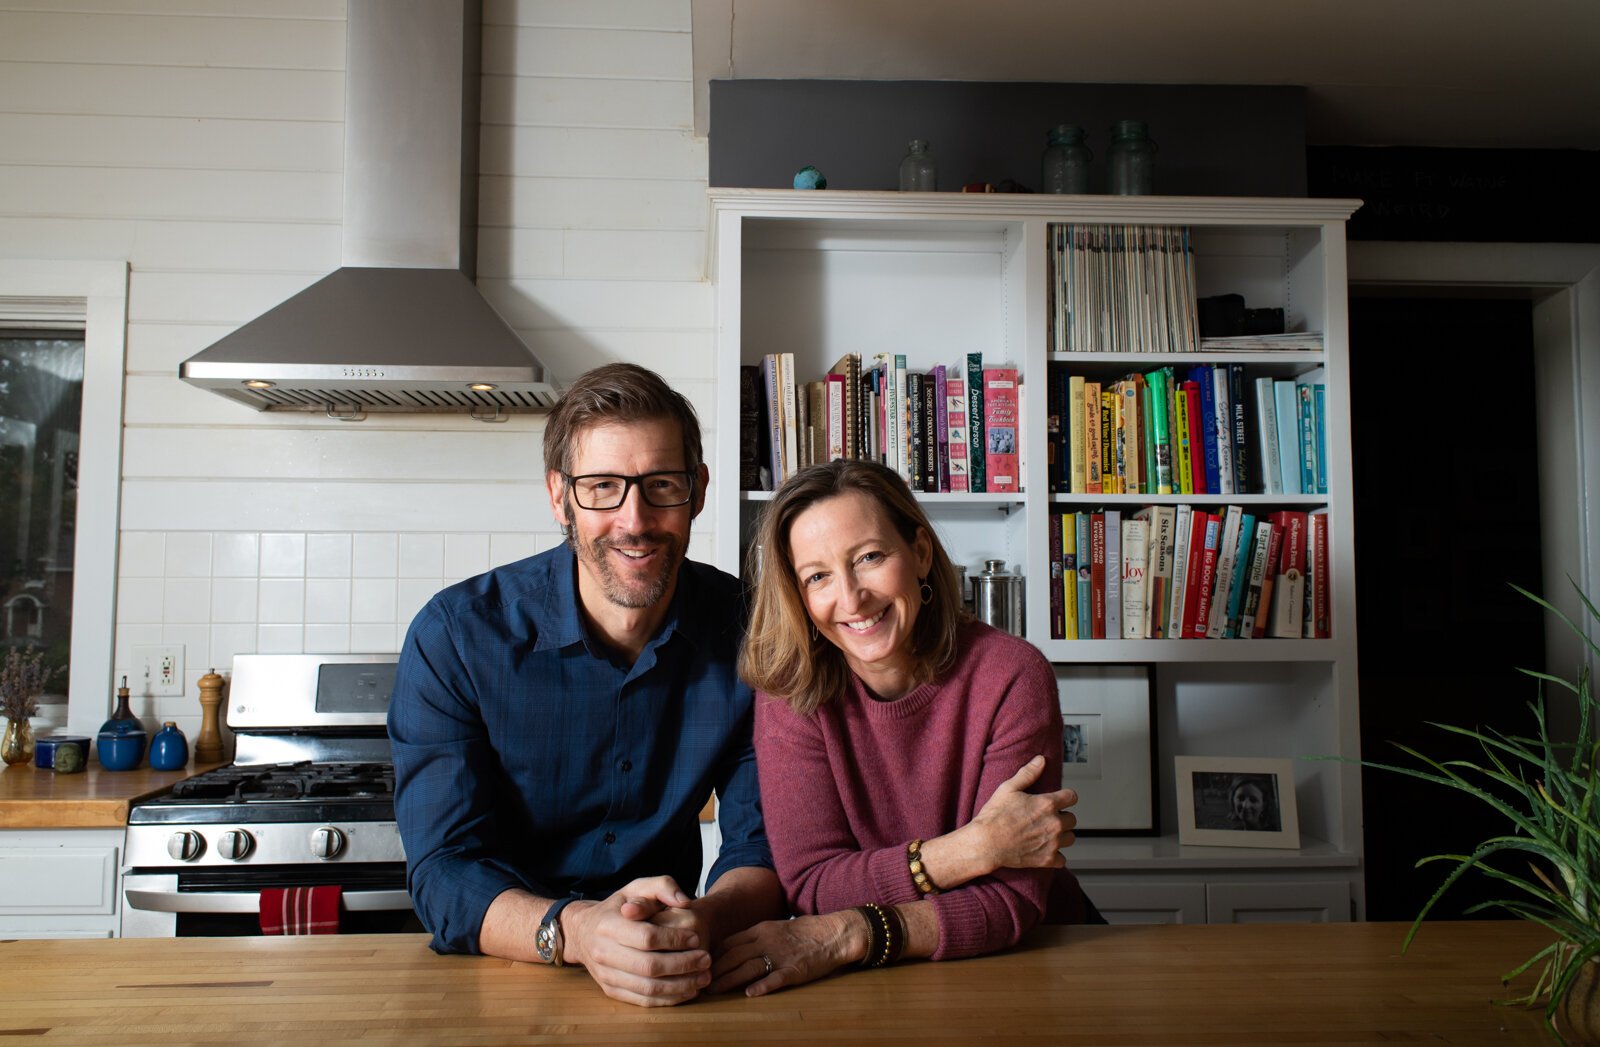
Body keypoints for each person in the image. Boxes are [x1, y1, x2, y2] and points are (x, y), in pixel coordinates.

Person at [389, 363, 784, 1007]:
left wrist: (703, 922)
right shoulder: (455, 637)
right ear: (559, 496)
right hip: (497, 977)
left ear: (699, 490)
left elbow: (761, 843)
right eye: (603, 486)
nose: (635, 520)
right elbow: (443, 869)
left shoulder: (752, 632)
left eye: (661, 485)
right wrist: (575, 931)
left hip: (673, 975)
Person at [709, 459, 1092, 998]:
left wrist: (855, 931)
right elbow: (813, 887)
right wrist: (974, 849)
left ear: (919, 553)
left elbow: (1010, 901)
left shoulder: (1011, 675)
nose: (851, 598)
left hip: (1032, 961)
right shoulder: (791, 693)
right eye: (817, 576)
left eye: (868, 557)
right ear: (798, 595)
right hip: (874, 981)